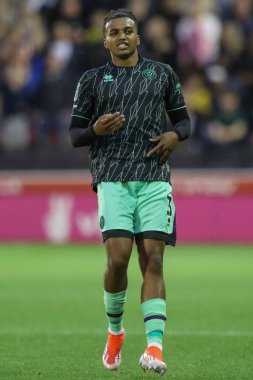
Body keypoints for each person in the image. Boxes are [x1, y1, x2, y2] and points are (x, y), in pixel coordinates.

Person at [69, 8, 191, 375]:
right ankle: (115, 332)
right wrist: (95, 131)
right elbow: (75, 134)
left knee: (152, 259)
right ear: (105, 40)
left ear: (138, 37)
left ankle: (154, 347)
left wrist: (175, 134)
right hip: (112, 176)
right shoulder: (91, 80)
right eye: (114, 32)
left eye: (128, 31)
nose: (122, 36)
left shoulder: (162, 74)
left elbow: (183, 120)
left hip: (154, 177)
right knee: (118, 259)